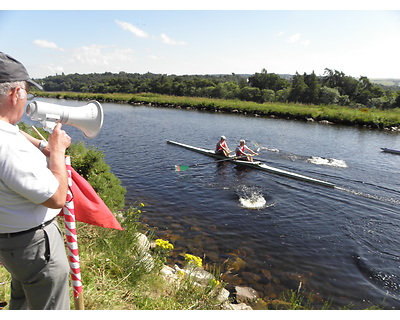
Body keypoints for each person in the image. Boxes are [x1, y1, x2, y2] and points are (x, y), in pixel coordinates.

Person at [0, 52, 71, 310]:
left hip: (10, 242)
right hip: (34, 245)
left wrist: (43, 146)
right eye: (27, 92)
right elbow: (56, 198)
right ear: (16, 93)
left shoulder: (6, 134)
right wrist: (59, 152)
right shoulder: (8, 147)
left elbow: (13, 132)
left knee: (22, 300)